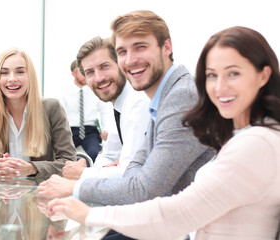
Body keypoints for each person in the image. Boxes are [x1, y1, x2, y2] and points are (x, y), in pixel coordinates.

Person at [48, 25, 280, 240]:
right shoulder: (246, 134)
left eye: (233, 73)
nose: (219, 87)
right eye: (211, 75)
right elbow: (137, 166)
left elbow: (178, 211)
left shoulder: (257, 142)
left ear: (263, 75)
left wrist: (87, 213)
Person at [38, 10, 215, 208]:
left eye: (140, 47)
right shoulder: (161, 99)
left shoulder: (181, 97)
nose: (130, 60)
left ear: (167, 47)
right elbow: (134, 171)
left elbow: (143, 188)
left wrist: (76, 185)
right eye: (123, 52)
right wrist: (124, 172)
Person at [0, 48, 76, 178]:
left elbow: (69, 162)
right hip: (1, 194)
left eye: (20, 72)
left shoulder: (51, 108)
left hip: (41, 193)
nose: (12, 79)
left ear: (30, 76)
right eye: (4, 73)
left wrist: (31, 168)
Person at [61, 36, 149, 181]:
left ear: (120, 63)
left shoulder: (138, 101)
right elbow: (109, 155)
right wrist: (102, 170)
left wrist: (84, 173)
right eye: (89, 72)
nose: (99, 78)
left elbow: (131, 173)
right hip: (72, 129)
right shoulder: (118, 105)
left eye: (105, 66)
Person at [59, 59, 115, 161]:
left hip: (90, 131)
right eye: (81, 72)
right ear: (73, 74)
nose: (84, 75)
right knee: (62, 155)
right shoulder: (64, 92)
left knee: (95, 153)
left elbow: (105, 112)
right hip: (70, 130)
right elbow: (59, 116)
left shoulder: (96, 90)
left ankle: (92, 176)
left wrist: (106, 129)